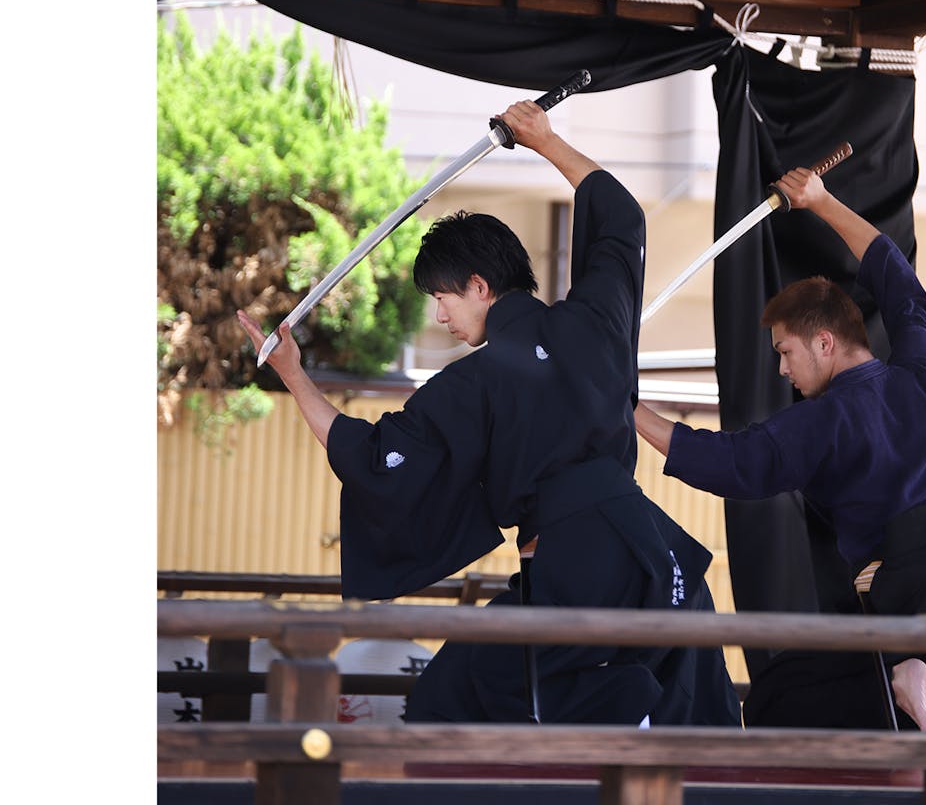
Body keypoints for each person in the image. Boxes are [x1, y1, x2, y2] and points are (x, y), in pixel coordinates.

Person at [237, 100, 740, 728]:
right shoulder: (595, 321)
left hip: (575, 567)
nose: (440, 317)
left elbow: (373, 458)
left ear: (480, 285)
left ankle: (624, 703)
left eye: (443, 298)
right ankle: (634, 709)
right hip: (653, 554)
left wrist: (292, 374)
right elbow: (619, 221)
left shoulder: (474, 380)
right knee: (685, 716)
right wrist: (546, 141)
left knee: (456, 699)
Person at [634, 165, 926, 733]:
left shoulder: (823, 420)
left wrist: (631, 413)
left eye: (786, 352)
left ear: (825, 340)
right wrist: (821, 202)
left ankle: (911, 677)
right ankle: (923, 683)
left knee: (776, 697)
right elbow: (896, 277)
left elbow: (735, 463)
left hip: (896, 598)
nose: (784, 370)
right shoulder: (921, 372)